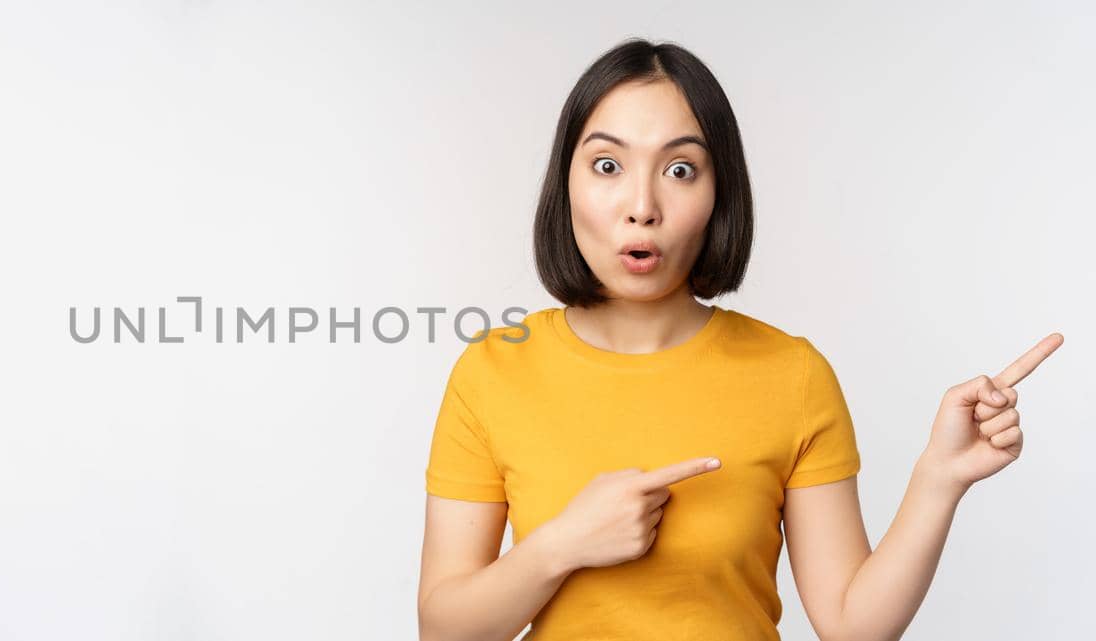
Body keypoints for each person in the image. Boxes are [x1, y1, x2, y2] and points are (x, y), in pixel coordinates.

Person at [415, 37, 1064, 641]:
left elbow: (851, 623)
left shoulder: (792, 373)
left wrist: (939, 478)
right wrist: (563, 544)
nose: (641, 205)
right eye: (608, 164)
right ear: (566, 183)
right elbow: (443, 629)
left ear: (719, 192)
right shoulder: (493, 372)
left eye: (680, 170)